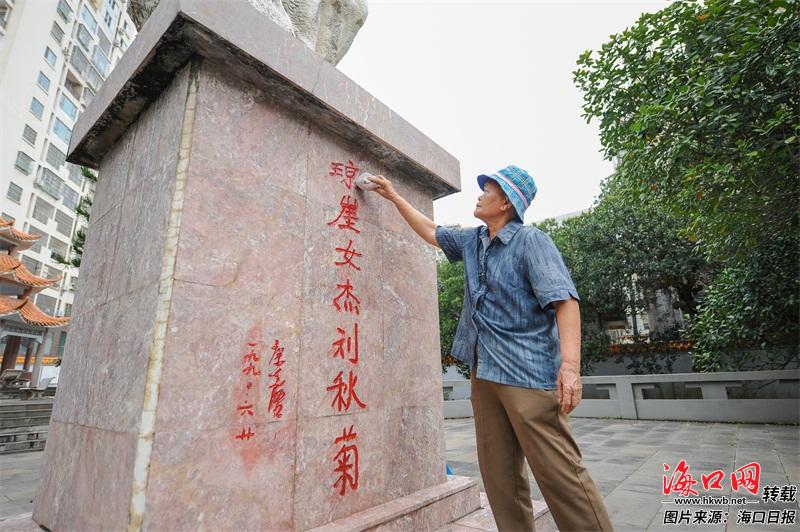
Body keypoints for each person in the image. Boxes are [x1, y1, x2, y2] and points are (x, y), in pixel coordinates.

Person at [368, 165, 614, 532]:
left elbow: (565, 301)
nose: (480, 194)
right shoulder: (473, 241)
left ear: (506, 203)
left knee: (561, 476)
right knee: (500, 478)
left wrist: (570, 368)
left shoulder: (531, 241)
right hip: (484, 373)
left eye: (489, 189)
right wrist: (393, 196)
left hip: (527, 374)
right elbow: (431, 232)